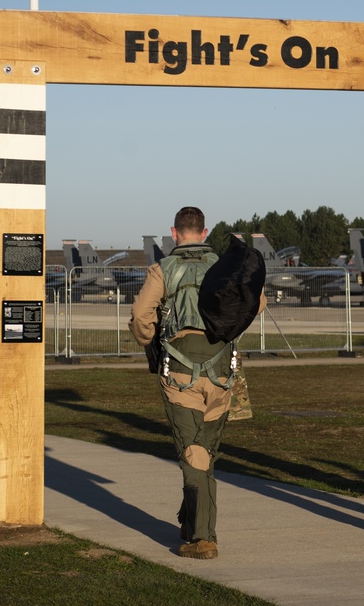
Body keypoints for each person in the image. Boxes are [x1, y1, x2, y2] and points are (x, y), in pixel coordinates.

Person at [129, 206, 264, 560]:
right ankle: (191, 523)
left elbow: (141, 317)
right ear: (204, 233)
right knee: (205, 452)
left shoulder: (162, 269)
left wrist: (151, 341)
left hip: (180, 373)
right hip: (222, 370)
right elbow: (257, 302)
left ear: (174, 233)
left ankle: (203, 537)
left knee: (192, 451)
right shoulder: (225, 265)